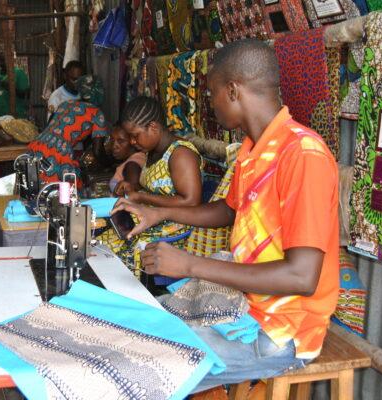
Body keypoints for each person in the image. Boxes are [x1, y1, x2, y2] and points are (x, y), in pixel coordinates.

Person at [112, 39, 339, 391]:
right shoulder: (253, 151)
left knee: (129, 368)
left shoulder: (302, 155)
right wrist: (155, 214)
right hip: (242, 306)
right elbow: (228, 210)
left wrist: (189, 265)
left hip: (280, 330)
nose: (209, 102)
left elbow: (301, 276)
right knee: (126, 330)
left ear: (233, 91)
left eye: (212, 93)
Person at [99, 96, 203, 274]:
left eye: (135, 136)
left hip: (173, 229)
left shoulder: (180, 154)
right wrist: (133, 190)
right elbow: (155, 190)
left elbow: (191, 202)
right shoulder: (152, 152)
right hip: (150, 221)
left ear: (153, 127)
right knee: (99, 248)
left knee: (114, 261)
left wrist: (140, 197)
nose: (132, 142)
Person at [108, 124, 146, 195]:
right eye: (112, 140)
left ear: (133, 141)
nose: (114, 146)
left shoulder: (132, 165)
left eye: (121, 141)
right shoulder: (137, 158)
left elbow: (131, 196)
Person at [0, 54, 30, 118]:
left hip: (16, 116)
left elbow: (24, 95)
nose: (1, 63)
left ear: (11, 61)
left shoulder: (18, 73)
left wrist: (2, 83)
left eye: (3, 61)